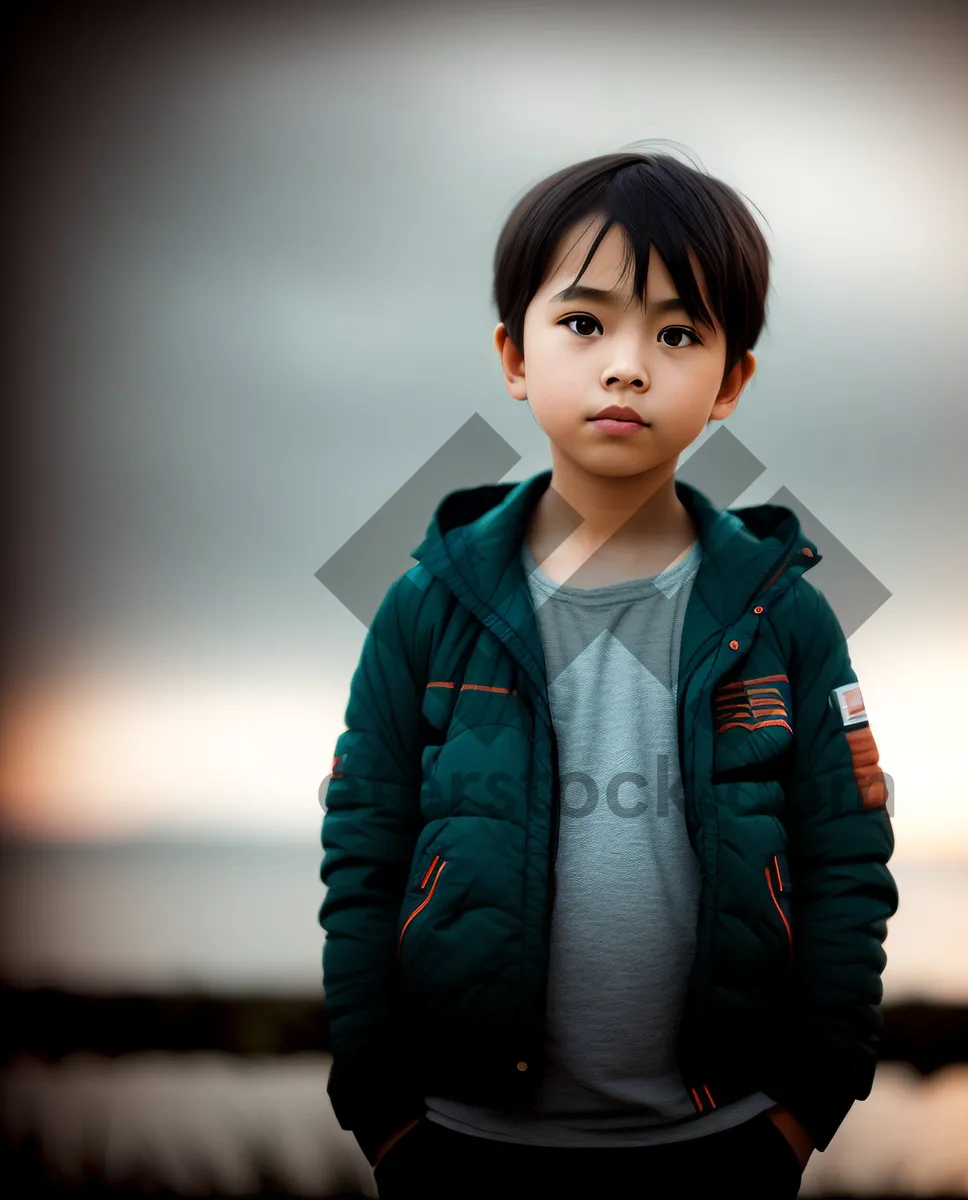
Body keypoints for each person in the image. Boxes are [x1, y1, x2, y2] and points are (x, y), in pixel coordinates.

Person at [318, 146, 899, 1200]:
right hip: (459, 1142)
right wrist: (383, 1112)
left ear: (730, 382)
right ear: (515, 355)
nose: (628, 365)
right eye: (584, 324)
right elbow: (362, 851)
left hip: (721, 1145)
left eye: (678, 333)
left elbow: (846, 860)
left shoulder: (786, 615)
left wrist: (806, 1106)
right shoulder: (429, 604)